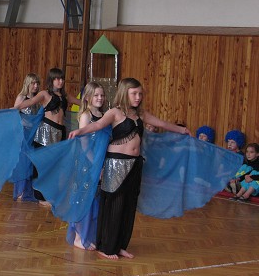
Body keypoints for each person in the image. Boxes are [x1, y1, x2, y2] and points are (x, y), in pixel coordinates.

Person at [68, 78, 190, 260]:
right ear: (125, 93)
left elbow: (162, 124)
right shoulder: (115, 112)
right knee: (114, 205)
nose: (138, 97)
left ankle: (119, 246)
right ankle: (106, 246)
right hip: (115, 163)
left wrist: (181, 131)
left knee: (128, 206)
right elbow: (97, 125)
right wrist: (80, 131)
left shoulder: (140, 115)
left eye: (140, 94)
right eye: (134, 93)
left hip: (135, 164)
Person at [14, 68, 80, 203]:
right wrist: (12, 109)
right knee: (42, 165)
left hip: (60, 132)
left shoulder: (65, 96)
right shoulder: (44, 94)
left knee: (55, 165)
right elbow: (28, 103)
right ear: (51, 80)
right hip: (45, 132)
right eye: (57, 78)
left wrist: (95, 101)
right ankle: (40, 197)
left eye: (62, 78)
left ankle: (51, 194)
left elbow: (82, 102)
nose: (60, 81)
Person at [67, 81, 106, 250]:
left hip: (99, 160)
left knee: (94, 198)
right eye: (96, 95)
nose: (100, 98)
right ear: (88, 97)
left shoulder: (103, 114)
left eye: (102, 95)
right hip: (87, 163)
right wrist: (95, 164)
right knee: (83, 198)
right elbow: (84, 143)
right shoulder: (86, 115)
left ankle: (88, 234)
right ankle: (78, 236)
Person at [12, 73, 41, 202]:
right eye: (33, 83)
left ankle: (27, 191)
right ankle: (20, 192)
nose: (35, 86)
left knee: (30, 162)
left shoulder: (37, 100)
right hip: (23, 135)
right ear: (27, 84)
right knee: (22, 163)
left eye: (37, 83)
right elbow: (14, 114)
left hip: (33, 135)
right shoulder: (22, 97)